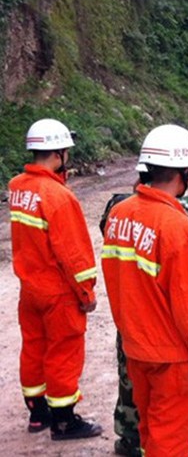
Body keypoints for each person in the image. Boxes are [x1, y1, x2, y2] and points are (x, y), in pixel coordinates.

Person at [101, 124, 188, 456]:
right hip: (173, 361)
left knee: (150, 434)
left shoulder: (119, 215)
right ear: (185, 173)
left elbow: (115, 280)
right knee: (170, 443)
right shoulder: (179, 229)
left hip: (137, 351)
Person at [8, 118, 103, 440]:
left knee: (33, 348)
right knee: (63, 352)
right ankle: (64, 421)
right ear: (59, 153)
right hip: (57, 292)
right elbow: (74, 254)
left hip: (29, 288)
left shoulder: (18, 187)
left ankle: (38, 415)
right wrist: (86, 293)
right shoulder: (59, 197)